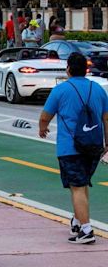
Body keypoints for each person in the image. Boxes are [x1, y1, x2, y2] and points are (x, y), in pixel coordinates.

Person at [39, 53, 108, 244]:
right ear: (86, 70)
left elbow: (46, 116)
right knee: (82, 184)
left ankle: (86, 230)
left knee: (76, 187)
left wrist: (42, 129)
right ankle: (77, 221)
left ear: (68, 69)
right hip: (94, 146)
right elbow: (106, 119)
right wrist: (107, 143)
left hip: (70, 148)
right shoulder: (98, 89)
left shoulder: (61, 90)